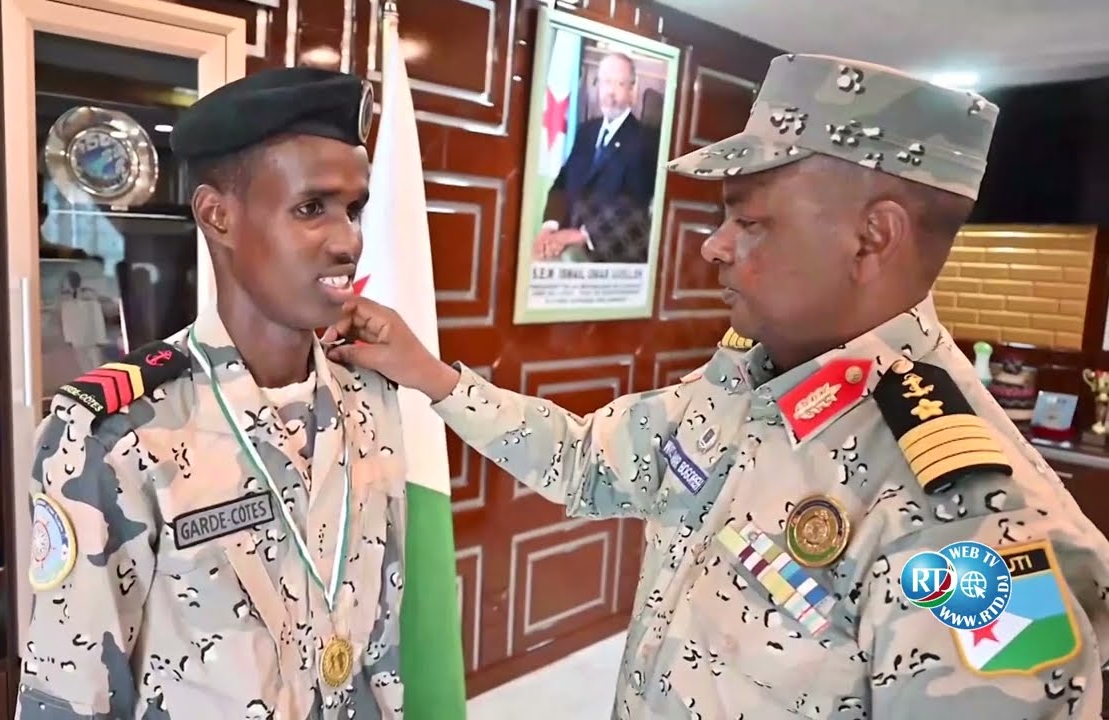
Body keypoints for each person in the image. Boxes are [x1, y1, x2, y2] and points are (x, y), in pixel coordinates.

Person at [324, 54, 1109, 718]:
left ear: (873, 237)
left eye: (752, 220)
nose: (713, 246)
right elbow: (588, 460)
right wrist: (428, 374)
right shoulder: (745, 383)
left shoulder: (975, 523)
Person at [16, 67, 411, 720]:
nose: (348, 241)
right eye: (311, 208)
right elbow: (70, 697)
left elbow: (379, 635)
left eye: (354, 209)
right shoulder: (115, 434)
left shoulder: (369, 394)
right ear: (218, 216)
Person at [535, 52, 659, 264]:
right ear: (597, 86)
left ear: (632, 91)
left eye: (620, 84)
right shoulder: (586, 131)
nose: (611, 92)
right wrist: (549, 227)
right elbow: (562, 183)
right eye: (606, 82)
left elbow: (636, 206)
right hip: (563, 244)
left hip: (608, 253)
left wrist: (584, 234)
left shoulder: (645, 141)